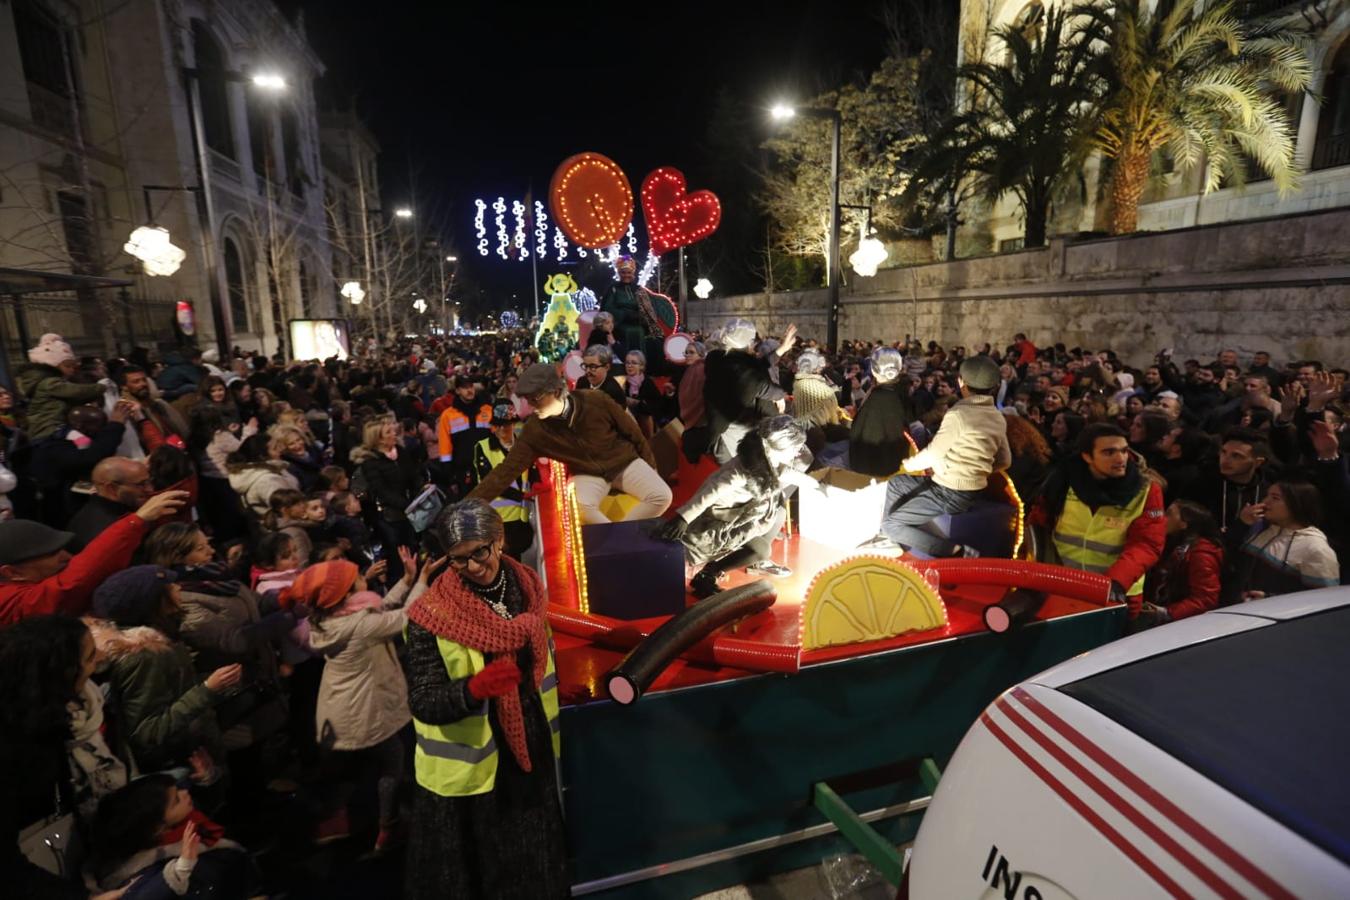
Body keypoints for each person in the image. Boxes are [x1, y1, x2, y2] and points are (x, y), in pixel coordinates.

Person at [403, 500, 567, 899]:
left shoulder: (529, 589)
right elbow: (422, 700)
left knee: (537, 857)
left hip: (531, 746)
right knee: (485, 870)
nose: (474, 566)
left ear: (500, 541)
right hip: (473, 764)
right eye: (459, 560)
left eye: (480, 551)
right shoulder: (429, 615)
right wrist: (473, 689)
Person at [298, 552, 442, 854]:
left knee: (353, 770)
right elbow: (406, 618)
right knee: (392, 761)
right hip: (362, 709)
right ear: (348, 593)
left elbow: (378, 613)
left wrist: (405, 580)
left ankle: (339, 821)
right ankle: (388, 828)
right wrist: (423, 581)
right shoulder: (359, 626)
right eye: (357, 578)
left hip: (342, 709)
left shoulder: (331, 618)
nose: (363, 576)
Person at [0, 615, 132, 899]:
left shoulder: (75, 711)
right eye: (87, 656)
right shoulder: (15, 747)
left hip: (74, 850)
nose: (98, 657)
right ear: (59, 673)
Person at [468, 364, 671, 525]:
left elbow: (634, 433)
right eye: (527, 399)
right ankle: (617, 538)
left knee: (663, 496)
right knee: (579, 506)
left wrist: (650, 466)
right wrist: (467, 507)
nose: (530, 406)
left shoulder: (595, 400)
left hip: (623, 462)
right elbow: (505, 471)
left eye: (535, 398)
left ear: (556, 391)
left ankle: (619, 534)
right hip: (586, 473)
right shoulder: (535, 430)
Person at [88, 566, 239, 773]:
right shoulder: (143, 656)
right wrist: (207, 689)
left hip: (193, 746)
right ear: (152, 602)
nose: (178, 587)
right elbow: (147, 731)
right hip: (182, 761)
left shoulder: (163, 637)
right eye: (169, 586)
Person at [654, 416, 815, 597]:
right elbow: (710, 492)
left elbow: (785, 473)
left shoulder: (767, 460)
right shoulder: (742, 470)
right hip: (714, 525)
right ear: (780, 446)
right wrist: (684, 517)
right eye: (796, 448)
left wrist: (817, 485)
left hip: (736, 522)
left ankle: (708, 573)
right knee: (673, 570)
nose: (798, 453)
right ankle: (702, 574)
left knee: (764, 543)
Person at [877, 356, 1011, 557]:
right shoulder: (997, 416)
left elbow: (933, 454)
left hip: (949, 491)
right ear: (994, 386)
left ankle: (953, 551)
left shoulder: (959, 415)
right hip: (967, 491)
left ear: (961, 383)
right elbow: (1005, 460)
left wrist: (906, 464)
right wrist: (977, 473)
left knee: (891, 524)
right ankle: (889, 541)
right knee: (897, 483)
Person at [1030, 423, 1166, 617]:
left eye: (1124, 451)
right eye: (1109, 452)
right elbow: (1039, 524)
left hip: (1118, 595)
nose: (1121, 459)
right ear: (1087, 456)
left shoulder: (1146, 490)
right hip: (1061, 588)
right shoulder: (1061, 481)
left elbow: (1147, 544)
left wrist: (1115, 583)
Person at [0, 491, 186, 626]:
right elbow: (70, 585)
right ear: (12, 572)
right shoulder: (7, 601)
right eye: (52, 554)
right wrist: (135, 522)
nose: (68, 557)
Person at [87, 774, 256, 899]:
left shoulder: (175, 817)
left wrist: (205, 783)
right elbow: (142, 894)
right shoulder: (146, 866)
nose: (184, 792)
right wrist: (180, 871)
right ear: (158, 828)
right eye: (176, 800)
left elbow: (206, 812)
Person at [1231, 480, 1340, 600]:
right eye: (1267, 495)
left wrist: (1270, 598)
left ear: (1297, 504)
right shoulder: (1261, 529)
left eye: (1275, 498)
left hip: (1279, 615)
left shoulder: (1316, 548)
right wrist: (1242, 524)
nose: (1265, 502)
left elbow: (1325, 599)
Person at [702, 319, 792, 463]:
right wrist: (779, 395)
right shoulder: (730, 364)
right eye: (752, 341)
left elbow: (755, 367)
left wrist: (781, 349)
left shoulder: (719, 357)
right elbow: (756, 381)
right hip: (729, 435)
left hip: (732, 430)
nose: (754, 345)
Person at [1136, 500, 1225, 627]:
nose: (1162, 517)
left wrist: (1167, 612)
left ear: (1184, 524)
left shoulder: (1202, 553)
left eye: (1169, 514)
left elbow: (1206, 599)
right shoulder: (1169, 543)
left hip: (1181, 625)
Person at [15, 333, 106, 442]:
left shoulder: (50, 382)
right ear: (52, 366)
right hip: (48, 429)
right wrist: (101, 387)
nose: (72, 370)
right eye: (67, 366)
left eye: (73, 366)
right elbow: (75, 392)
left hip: (52, 429)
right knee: (83, 442)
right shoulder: (50, 383)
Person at [470, 402, 533, 559]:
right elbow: (491, 483)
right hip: (497, 519)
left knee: (517, 563)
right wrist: (522, 496)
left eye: (509, 424)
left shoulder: (523, 446)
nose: (505, 428)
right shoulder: (483, 447)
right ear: (494, 426)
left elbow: (531, 473)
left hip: (521, 519)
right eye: (501, 425)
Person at [849, 347, 916, 478]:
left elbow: (860, 436)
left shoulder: (876, 397)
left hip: (871, 471)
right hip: (895, 467)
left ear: (874, 370)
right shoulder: (902, 393)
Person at [68, 457, 156, 551]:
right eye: (141, 484)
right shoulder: (105, 531)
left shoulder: (98, 512)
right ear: (112, 488)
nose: (150, 489)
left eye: (149, 481)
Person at [435, 376, 494, 497]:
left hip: (488, 468)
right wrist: (450, 477)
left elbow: (497, 439)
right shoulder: (448, 416)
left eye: (471, 386)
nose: (469, 390)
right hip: (463, 472)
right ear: (457, 391)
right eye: (464, 387)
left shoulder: (487, 410)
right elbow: (445, 449)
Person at [226, 432, 301, 519]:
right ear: (262, 457)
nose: (281, 449)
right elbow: (288, 510)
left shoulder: (272, 469)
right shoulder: (267, 481)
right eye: (275, 448)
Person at [622, 349, 665, 440]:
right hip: (628, 426)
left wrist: (637, 403)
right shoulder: (623, 382)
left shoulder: (647, 382)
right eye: (627, 363)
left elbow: (657, 405)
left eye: (634, 363)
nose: (629, 366)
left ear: (641, 366)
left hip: (646, 427)